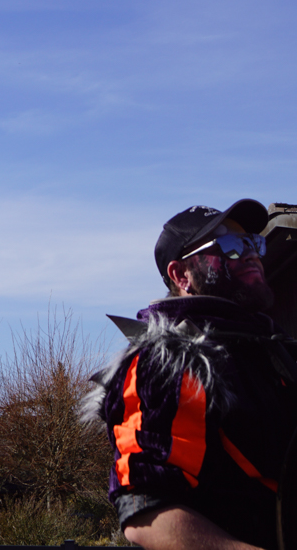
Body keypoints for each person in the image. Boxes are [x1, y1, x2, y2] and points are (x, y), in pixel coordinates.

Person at [89, 199, 297, 550]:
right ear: (180, 275)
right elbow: (147, 514)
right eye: (230, 245)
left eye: (253, 243)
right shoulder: (165, 363)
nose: (250, 254)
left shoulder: (274, 352)